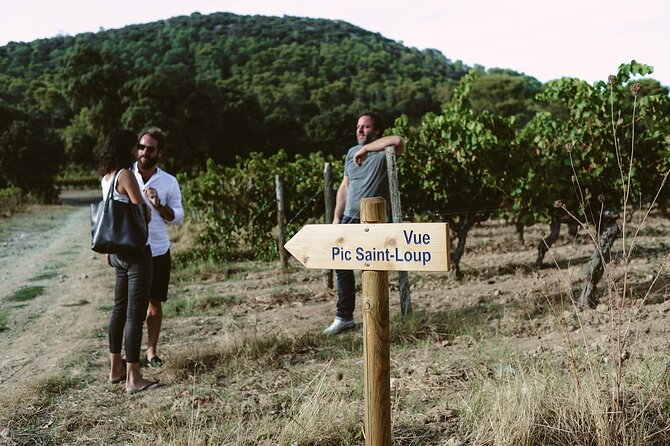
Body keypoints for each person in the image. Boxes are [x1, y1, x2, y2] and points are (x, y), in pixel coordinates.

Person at [323, 112, 404, 335]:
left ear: (377, 130)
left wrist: (367, 149)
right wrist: (337, 218)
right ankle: (344, 317)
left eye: (366, 127)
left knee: (373, 269)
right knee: (342, 267)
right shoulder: (350, 153)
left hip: (374, 220)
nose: (360, 130)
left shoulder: (385, 152)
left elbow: (398, 141)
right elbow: (345, 187)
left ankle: (376, 318)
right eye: (358, 126)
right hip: (349, 217)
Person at [98, 128, 159, 394]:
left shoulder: (107, 177)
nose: (138, 150)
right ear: (127, 148)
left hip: (119, 253)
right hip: (136, 253)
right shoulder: (125, 175)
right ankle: (134, 379)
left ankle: (115, 369)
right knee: (135, 315)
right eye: (135, 145)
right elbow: (142, 213)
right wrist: (147, 205)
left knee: (118, 311)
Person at [131, 127, 184, 367]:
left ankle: (151, 352)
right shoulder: (125, 175)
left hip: (158, 250)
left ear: (159, 153)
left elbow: (179, 217)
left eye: (149, 148)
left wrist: (159, 204)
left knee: (154, 303)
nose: (144, 152)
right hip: (130, 250)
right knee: (132, 306)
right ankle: (130, 355)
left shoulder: (169, 181)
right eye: (141, 147)